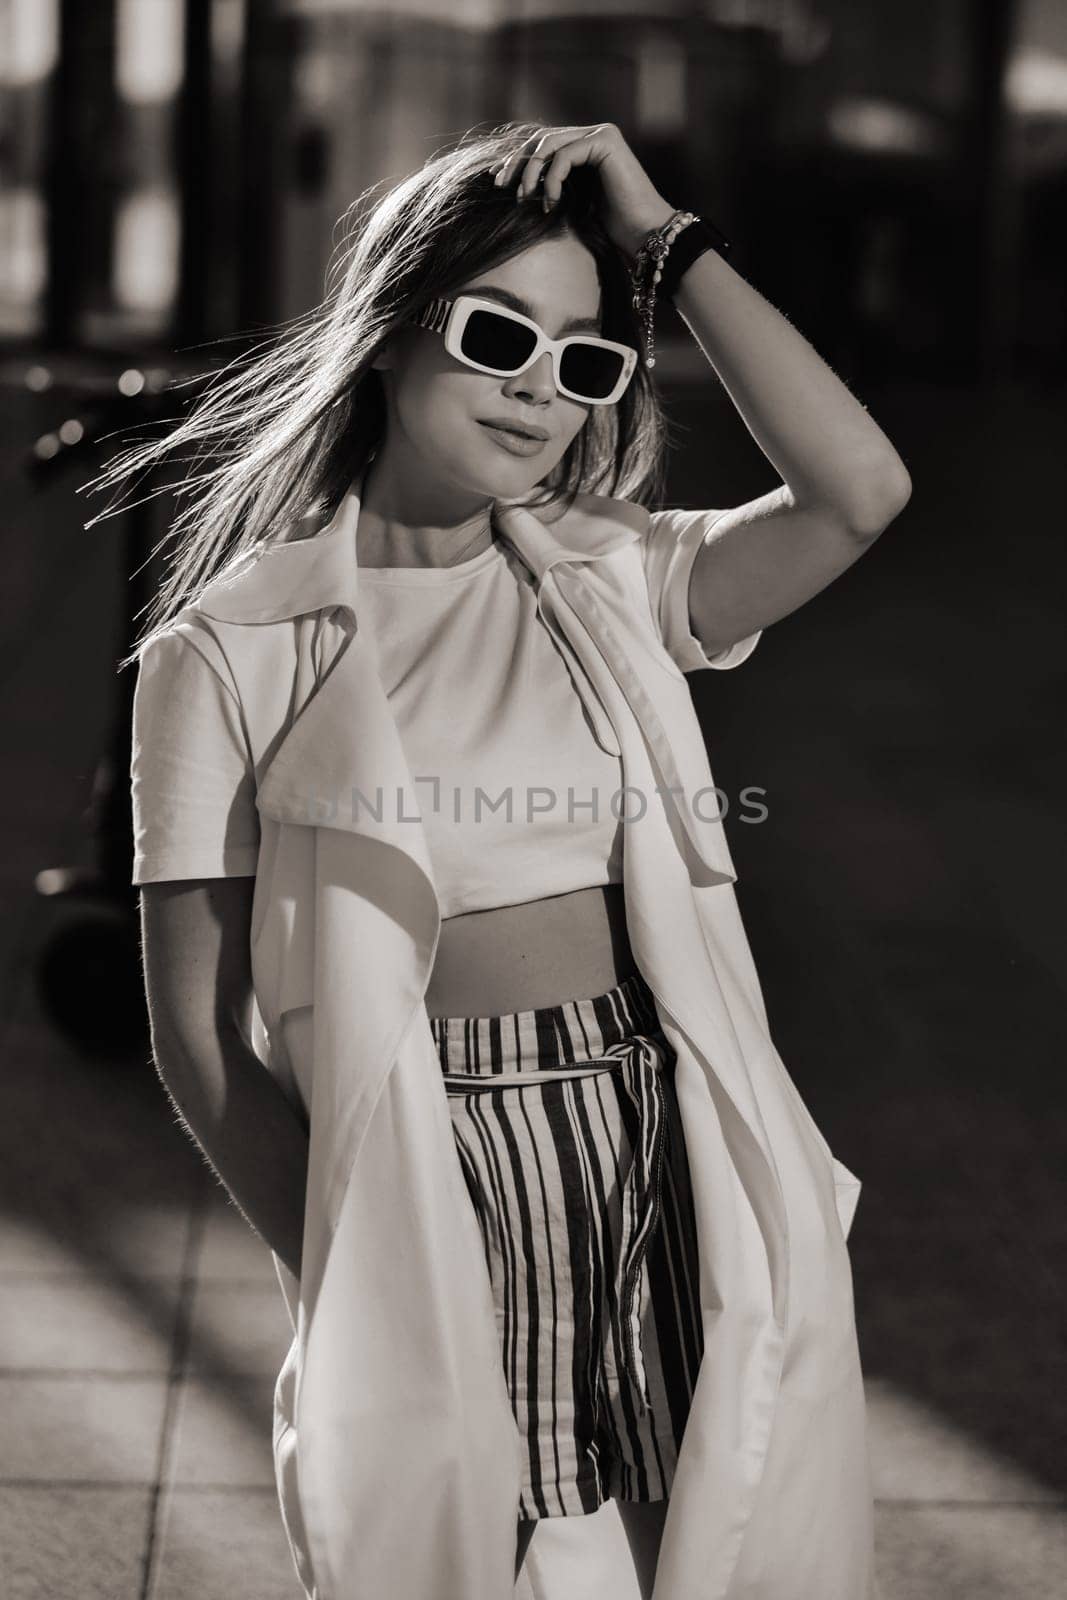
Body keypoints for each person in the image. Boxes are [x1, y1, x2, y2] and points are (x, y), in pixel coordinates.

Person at [103, 122, 909, 1600]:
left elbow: (858, 491)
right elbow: (196, 1036)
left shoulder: (612, 573)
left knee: (701, 1543)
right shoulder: (226, 652)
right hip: (432, 1153)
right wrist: (352, 1269)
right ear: (392, 330)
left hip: (654, 1123)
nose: (543, 386)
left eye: (589, 358)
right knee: (482, 1563)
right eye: (498, 335)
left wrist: (669, 246)